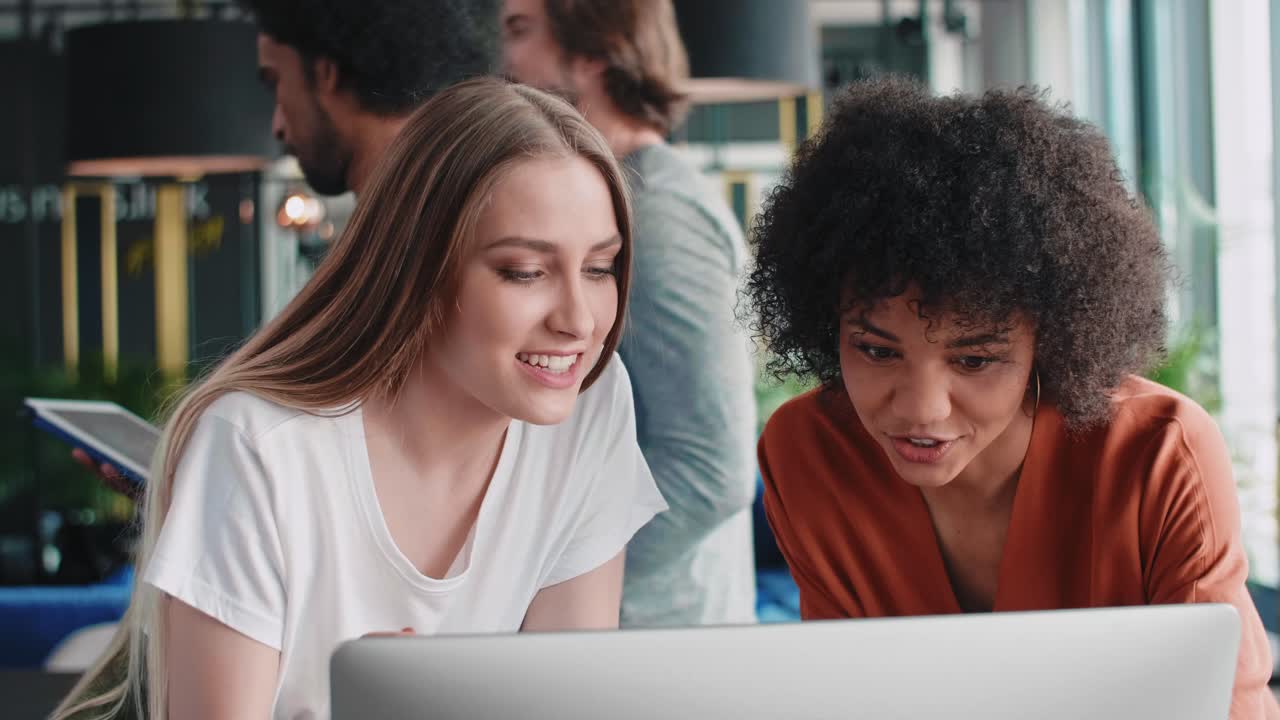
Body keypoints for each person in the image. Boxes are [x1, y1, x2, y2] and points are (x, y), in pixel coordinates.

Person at [53, 78, 666, 720]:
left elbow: (566, 703)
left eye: (600, 268)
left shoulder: (590, 406)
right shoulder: (260, 447)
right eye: (524, 272)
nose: (579, 320)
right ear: (419, 267)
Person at [748, 76, 1279, 719]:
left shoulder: (1161, 453)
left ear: (1049, 338)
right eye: (878, 351)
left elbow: (1225, 706)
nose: (921, 408)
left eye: (973, 360)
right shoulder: (809, 452)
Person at [73, 0, 498, 483]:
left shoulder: (427, 250)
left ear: (327, 74)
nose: (276, 125)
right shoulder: (410, 237)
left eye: (277, 82)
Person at [501, 0, 758, 627]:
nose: (503, 58)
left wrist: (532, 595)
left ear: (591, 54)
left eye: (519, 30)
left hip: (655, 648)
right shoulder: (612, 194)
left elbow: (711, 468)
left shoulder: (658, 213)